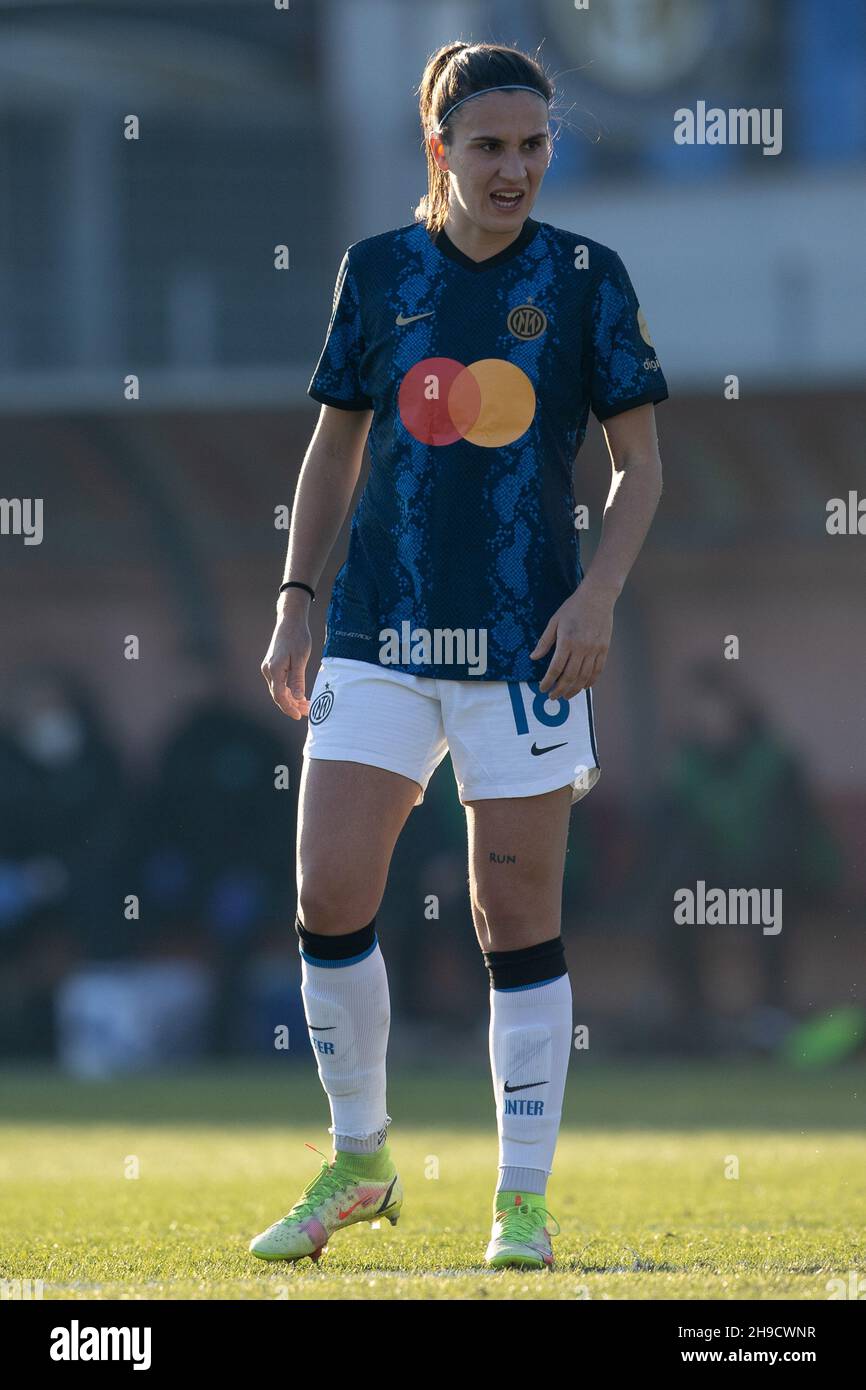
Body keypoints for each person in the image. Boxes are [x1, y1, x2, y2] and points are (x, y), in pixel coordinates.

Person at [255, 40, 668, 1270]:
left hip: (527, 647)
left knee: (512, 913)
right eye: (489, 147)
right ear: (438, 149)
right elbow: (333, 449)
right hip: (379, 631)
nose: (516, 170)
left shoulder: (588, 279)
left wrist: (594, 598)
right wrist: (294, 594)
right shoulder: (378, 273)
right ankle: (358, 1159)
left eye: (534, 146)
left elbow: (641, 467)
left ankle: (521, 1202)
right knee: (329, 888)